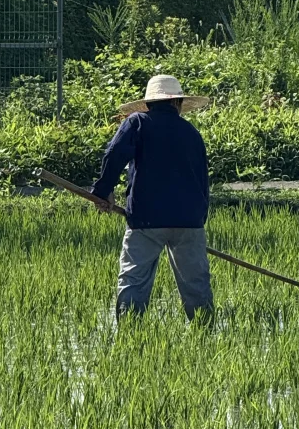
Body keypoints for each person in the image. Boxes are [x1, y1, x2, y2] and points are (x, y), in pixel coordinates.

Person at [91, 74, 213, 323]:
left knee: (134, 278)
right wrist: (197, 221)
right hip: (189, 220)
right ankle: (204, 331)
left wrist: (103, 191)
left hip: (147, 219)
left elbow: (114, 154)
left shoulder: (137, 122)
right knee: (196, 282)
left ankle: (130, 332)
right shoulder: (192, 133)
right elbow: (203, 181)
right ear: (177, 103)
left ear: (147, 104)